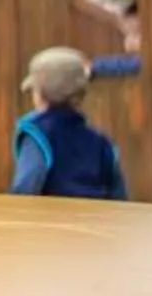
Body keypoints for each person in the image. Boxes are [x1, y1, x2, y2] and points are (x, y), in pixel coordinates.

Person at [11, 46, 128, 201]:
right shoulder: (101, 143)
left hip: (52, 220)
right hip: (96, 220)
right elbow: (119, 195)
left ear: (40, 94)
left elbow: (26, 185)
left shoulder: (37, 135)